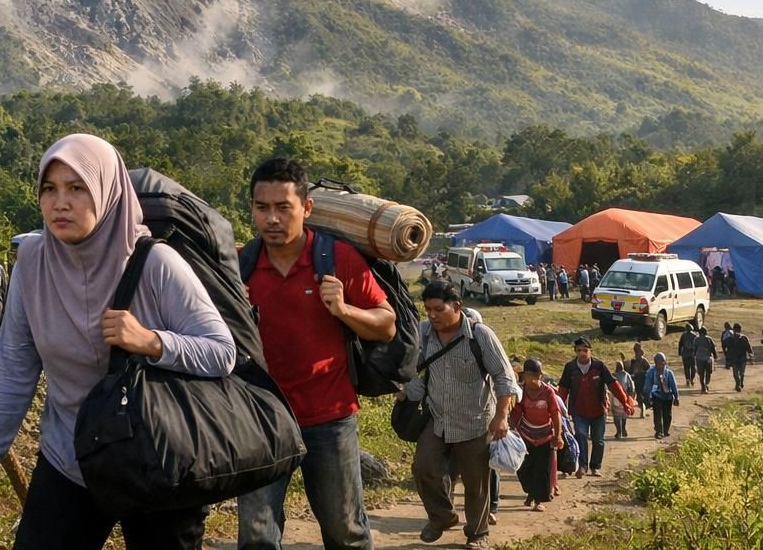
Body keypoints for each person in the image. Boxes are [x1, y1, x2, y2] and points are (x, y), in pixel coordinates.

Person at [0, 134, 235, 550]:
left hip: (155, 459)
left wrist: (151, 341)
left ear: (108, 192)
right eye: (49, 189)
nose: (60, 203)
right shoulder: (33, 262)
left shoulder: (155, 262)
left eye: (77, 188)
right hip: (69, 457)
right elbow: (15, 366)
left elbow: (221, 351)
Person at [236, 158, 396, 550]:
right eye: (262, 208)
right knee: (256, 536)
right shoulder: (242, 265)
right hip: (262, 419)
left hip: (330, 417)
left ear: (306, 208)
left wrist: (343, 310)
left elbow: (387, 323)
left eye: (282, 207)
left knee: (345, 532)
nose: (271, 218)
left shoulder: (336, 258)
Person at [398, 281, 518, 548]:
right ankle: (442, 517)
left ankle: (478, 534)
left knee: (476, 484)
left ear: (457, 306)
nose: (432, 315)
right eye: (428, 309)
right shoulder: (424, 332)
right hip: (438, 417)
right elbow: (412, 369)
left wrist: (501, 416)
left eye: (438, 309)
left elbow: (503, 377)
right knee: (423, 466)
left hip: (475, 421)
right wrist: (404, 389)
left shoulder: (480, 336)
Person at [557, 337, 631, 478]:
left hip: (599, 410)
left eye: (585, 350)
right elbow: (563, 390)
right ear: (575, 352)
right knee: (580, 435)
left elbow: (613, 385)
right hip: (579, 411)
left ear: (591, 351)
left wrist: (625, 402)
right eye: (579, 350)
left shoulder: (599, 366)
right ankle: (583, 465)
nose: (582, 353)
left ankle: (595, 467)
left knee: (598, 440)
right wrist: (558, 410)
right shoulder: (570, 368)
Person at [508, 359, 563, 511]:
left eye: (536, 375)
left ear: (541, 376)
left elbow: (555, 413)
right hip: (525, 435)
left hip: (544, 435)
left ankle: (539, 500)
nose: (533, 379)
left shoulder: (548, 392)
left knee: (542, 469)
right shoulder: (521, 392)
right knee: (524, 468)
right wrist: (509, 430)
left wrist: (558, 435)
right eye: (530, 375)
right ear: (524, 376)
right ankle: (531, 493)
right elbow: (516, 412)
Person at [643, 352, 680, 439]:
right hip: (657, 396)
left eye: (661, 362)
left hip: (668, 396)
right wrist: (647, 396)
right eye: (657, 362)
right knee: (657, 414)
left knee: (667, 415)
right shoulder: (651, 372)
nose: (659, 365)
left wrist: (676, 397)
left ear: (664, 362)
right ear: (655, 363)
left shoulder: (669, 373)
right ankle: (659, 431)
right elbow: (648, 385)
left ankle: (665, 430)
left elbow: (673, 386)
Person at [626, 343, 651, 418]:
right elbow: (630, 371)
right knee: (639, 396)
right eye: (636, 350)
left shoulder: (643, 361)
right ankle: (642, 410)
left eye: (637, 350)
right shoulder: (634, 361)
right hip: (636, 380)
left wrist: (641, 372)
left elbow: (648, 370)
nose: (637, 352)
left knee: (642, 396)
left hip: (642, 380)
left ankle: (643, 409)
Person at [610, 360, 633, 439]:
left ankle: (619, 431)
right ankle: (622, 429)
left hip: (616, 398)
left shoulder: (613, 376)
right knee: (623, 415)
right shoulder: (627, 375)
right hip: (625, 397)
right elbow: (632, 387)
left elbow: (608, 386)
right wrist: (630, 395)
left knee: (617, 416)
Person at [727, 323, 753, 392]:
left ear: (733, 329)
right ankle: (740, 382)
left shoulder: (730, 338)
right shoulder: (744, 337)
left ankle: (738, 384)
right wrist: (751, 355)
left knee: (735, 373)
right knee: (742, 372)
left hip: (734, 358)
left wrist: (728, 358)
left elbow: (728, 348)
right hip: (743, 358)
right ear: (740, 329)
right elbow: (748, 347)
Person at [692, 326, 718, 393]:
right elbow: (713, 349)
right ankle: (706, 384)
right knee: (708, 372)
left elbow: (694, 349)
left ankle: (703, 386)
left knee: (701, 373)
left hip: (699, 358)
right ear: (706, 332)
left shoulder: (696, 339)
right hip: (708, 359)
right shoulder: (709, 339)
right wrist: (715, 356)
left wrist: (694, 356)